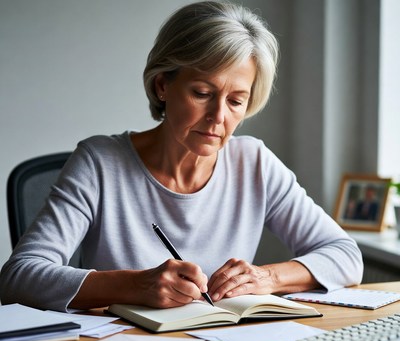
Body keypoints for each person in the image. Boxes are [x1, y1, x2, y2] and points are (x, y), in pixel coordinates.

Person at [0, 1, 363, 312]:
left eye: (236, 101)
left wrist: (266, 277)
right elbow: (19, 276)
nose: (219, 117)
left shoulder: (254, 162)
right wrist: (133, 286)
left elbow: (345, 256)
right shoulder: (100, 162)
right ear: (163, 85)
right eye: (203, 93)